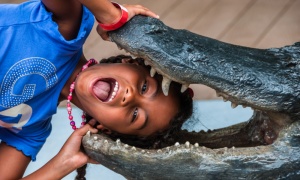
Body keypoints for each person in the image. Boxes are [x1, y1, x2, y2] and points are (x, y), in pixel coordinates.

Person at [0, 0, 193, 179]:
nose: (130, 97)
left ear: (105, 129)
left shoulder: (29, 130)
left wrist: (63, 164)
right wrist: (110, 14)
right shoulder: (64, 28)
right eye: (144, 87)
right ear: (130, 62)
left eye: (135, 115)